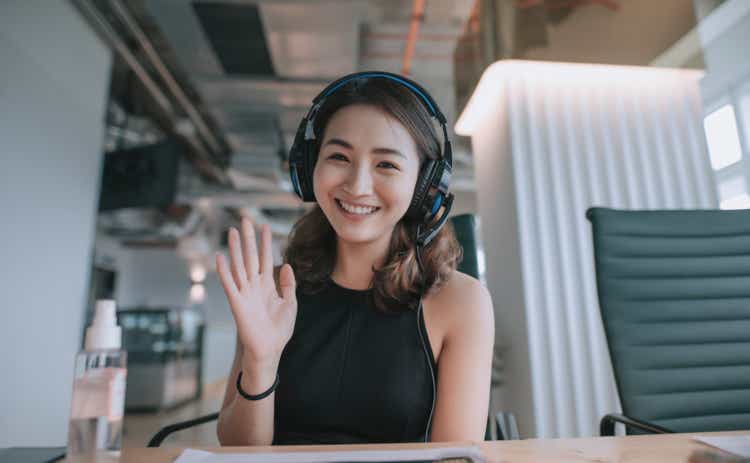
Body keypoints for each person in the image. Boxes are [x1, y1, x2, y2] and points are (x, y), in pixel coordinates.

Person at [215, 72, 494, 445]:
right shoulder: (274, 289)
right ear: (310, 167)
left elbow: (454, 458)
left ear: (425, 186)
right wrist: (260, 361)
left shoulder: (461, 301)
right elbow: (238, 450)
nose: (357, 185)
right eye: (339, 156)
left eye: (386, 165)